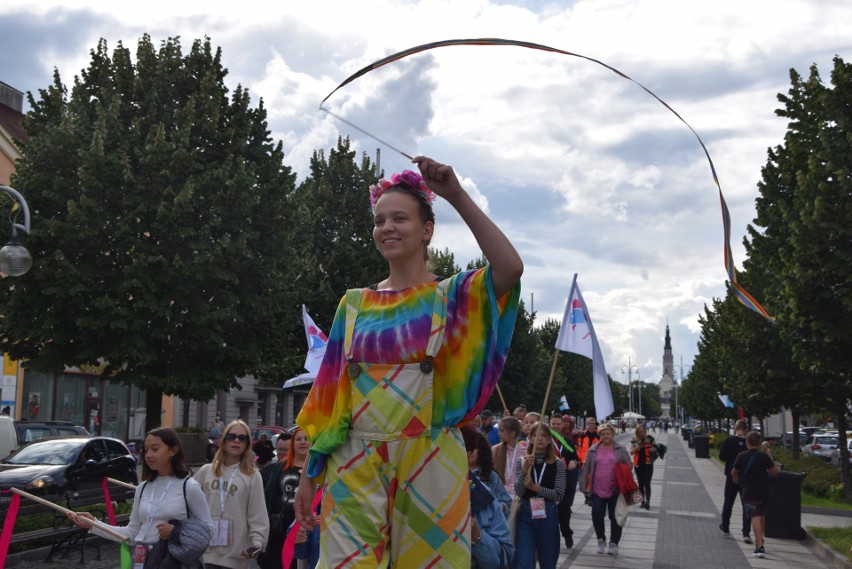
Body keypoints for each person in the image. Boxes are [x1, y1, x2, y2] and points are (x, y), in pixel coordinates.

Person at [294, 158, 523, 568]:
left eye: (400, 217)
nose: (387, 227)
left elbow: (509, 267)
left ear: (427, 230)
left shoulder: (452, 296)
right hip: (354, 459)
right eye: (380, 220)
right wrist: (310, 474)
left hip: (431, 458)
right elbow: (329, 399)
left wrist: (455, 194)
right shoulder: (353, 305)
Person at [67, 427, 215, 565]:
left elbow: (208, 530)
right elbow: (131, 534)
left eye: (155, 449)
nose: (148, 454)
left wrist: (175, 532)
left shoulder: (189, 487)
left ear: (173, 450)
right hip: (142, 561)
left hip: (172, 562)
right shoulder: (142, 488)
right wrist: (94, 524)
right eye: (146, 450)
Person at [194, 420, 269, 569]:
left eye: (242, 438)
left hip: (235, 558)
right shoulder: (206, 471)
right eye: (231, 436)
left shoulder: (252, 476)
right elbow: (189, 506)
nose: (236, 441)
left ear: (247, 444)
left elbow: (257, 514)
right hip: (203, 554)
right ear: (223, 440)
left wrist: (257, 544)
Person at [512, 421, 566, 569]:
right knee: (524, 560)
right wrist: (524, 471)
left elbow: (559, 495)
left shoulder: (557, 463)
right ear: (529, 438)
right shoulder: (522, 461)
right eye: (535, 435)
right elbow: (519, 491)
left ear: (549, 440)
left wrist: (536, 488)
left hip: (547, 512)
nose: (539, 439)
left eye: (543, 435)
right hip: (526, 513)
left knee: (548, 560)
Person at [260, 427, 311, 569]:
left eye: (306, 439)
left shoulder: (318, 469)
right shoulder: (279, 468)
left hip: (307, 532)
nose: (302, 442)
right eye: (298, 439)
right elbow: (268, 496)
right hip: (279, 533)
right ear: (293, 444)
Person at [580, 422, 631, 556]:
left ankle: (614, 543)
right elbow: (586, 467)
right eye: (603, 434)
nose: (605, 436)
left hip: (615, 489)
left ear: (613, 434)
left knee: (615, 517)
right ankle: (600, 539)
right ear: (599, 435)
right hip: (597, 489)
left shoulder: (620, 449)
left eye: (608, 434)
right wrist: (583, 485)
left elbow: (629, 465)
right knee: (596, 514)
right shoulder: (593, 449)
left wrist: (622, 473)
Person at [731, 431, 779, 559]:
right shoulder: (763, 457)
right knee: (761, 515)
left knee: (755, 517)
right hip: (763, 491)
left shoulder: (741, 456)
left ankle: (759, 546)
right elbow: (774, 472)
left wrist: (735, 478)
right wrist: (768, 453)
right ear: (759, 443)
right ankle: (760, 539)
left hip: (749, 491)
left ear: (747, 442)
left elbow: (734, 471)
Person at [548, 414, 580, 549]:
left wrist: (573, 462)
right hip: (547, 481)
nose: (556, 426)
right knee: (548, 513)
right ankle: (549, 540)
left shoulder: (568, 441)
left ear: (563, 425)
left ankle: (567, 533)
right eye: (553, 423)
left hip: (564, 481)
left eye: (558, 424)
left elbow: (576, 458)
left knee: (563, 511)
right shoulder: (543, 439)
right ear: (549, 424)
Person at [465, 425, 512, 514]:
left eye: (474, 448)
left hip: (487, 526)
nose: (470, 451)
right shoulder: (456, 474)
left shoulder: (491, 476)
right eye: (466, 447)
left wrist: (496, 508)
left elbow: (506, 502)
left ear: (482, 450)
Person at [719, 419, 751, 543]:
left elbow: (722, 457)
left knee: (729, 501)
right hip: (746, 478)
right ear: (746, 429)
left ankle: (725, 525)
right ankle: (746, 532)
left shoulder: (729, 441)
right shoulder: (749, 442)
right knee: (746, 505)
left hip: (731, 476)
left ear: (735, 428)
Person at [492, 416, 526, 499]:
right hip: (500, 496)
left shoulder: (525, 452)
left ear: (512, 433)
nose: (498, 433)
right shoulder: (495, 450)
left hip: (519, 497)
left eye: (502, 430)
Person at [629, 424, 658, 510]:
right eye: (638, 432)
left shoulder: (650, 438)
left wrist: (651, 448)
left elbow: (656, 449)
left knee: (647, 483)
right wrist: (638, 447)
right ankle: (642, 501)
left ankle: (647, 501)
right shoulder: (634, 440)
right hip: (638, 465)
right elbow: (631, 452)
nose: (640, 433)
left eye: (641, 431)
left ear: (645, 431)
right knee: (641, 483)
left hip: (648, 464)